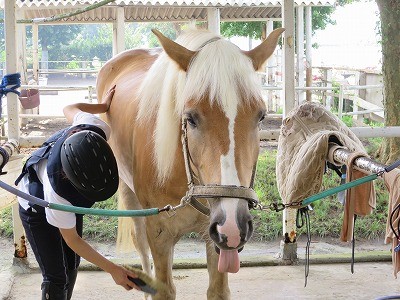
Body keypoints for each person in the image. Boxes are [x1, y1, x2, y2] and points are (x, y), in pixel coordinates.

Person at [15, 85, 140, 300]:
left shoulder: (90, 127)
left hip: (64, 194)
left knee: (72, 263)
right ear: (72, 182)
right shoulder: (59, 194)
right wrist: (114, 270)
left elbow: (69, 107)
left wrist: (103, 106)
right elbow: (72, 239)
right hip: (35, 204)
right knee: (56, 277)